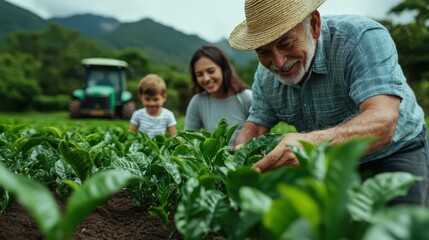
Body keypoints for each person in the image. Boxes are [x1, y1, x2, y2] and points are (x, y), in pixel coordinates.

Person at [229, 0, 429, 206]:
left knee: (398, 226)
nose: (278, 62)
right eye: (264, 52)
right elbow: (257, 122)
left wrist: (310, 145)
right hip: (331, 162)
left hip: (396, 149)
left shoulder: (361, 39)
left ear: (314, 25)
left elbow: (383, 122)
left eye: (286, 44)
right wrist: (241, 152)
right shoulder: (265, 77)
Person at [185, 45, 252, 144]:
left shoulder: (246, 97)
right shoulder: (198, 102)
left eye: (211, 71)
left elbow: (260, 134)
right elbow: (187, 139)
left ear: (223, 69)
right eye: (199, 74)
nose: (206, 78)